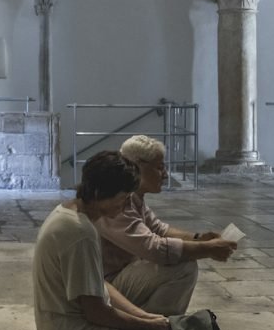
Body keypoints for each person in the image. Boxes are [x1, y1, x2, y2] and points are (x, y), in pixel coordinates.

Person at [32, 150, 274, 330]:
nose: (124, 205)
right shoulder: (80, 233)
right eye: (121, 198)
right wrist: (147, 325)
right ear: (98, 192)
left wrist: (144, 316)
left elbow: (101, 287)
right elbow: (95, 311)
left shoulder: (69, 214)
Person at [95, 134, 234, 315]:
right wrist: (207, 249)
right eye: (160, 168)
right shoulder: (117, 199)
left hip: (120, 274)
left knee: (181, 262)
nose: (166, 174)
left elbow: (159, 229)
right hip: (104, 285)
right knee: (182, 267)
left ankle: (153, 323)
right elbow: (153, 248)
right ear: (137, 167)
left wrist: (198, 238)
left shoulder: (134, 196)